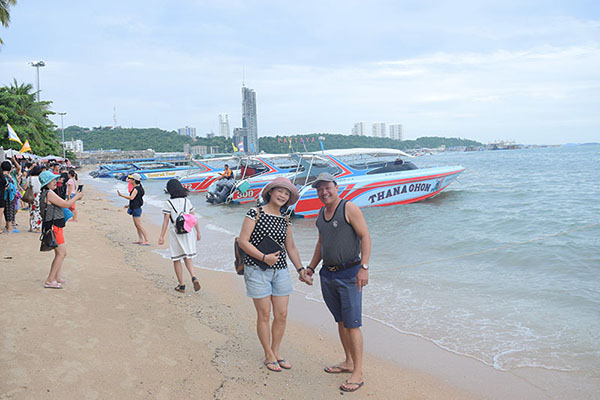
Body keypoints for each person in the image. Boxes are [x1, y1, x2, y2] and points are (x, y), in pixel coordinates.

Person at [304, 172, 371, 393]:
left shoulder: (348, 208)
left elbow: (365, 237)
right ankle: (348, 362)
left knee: (352, 324)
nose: (324, 192)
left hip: (350, 274)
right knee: (341, 322)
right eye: (320, 189)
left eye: (327, 187)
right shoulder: (321, 213)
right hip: (328, 275)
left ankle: (358, 372)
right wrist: (311, 268)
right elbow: (321, 244)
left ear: (336, 187)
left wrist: (364, 268)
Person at [237, 177, 310, 372]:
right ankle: (268, 354)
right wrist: (264, 257)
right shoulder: (255, 212)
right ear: (270, 192)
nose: (282, 196)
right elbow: (243, 241)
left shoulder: (285, 218)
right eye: (280, 191)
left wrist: (301, 269)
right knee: (264, 314)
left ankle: (276, 351)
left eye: (287, 194)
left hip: (280, 271)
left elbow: (291, 247)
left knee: (282, 314)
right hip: (256, 269)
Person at [39, 170, 84, 289]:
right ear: (46, 183)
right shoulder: (49, 193)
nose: (55, 182)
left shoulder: (45, 193)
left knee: (59, 253)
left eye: (54, 180)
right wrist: (77, 197)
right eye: (52, 180)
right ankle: (50, 280)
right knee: (62, 253)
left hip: (54, 226)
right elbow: (65, 204)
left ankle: (57, 277)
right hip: (54, 227)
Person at [158, 179, 201, 293]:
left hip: (176, 232)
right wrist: (198, 232)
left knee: (177, 258)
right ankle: (193, 276)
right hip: (188, 231)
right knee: (188, 256)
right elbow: (193, 218)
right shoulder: (187, 201)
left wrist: (161, 236)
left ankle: (181, 285)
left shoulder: (168, 203)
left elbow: (166, 221)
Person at [117, 173, 150, 245]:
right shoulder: (139, 188)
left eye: (131, 179)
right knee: (137, 225)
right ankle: (140, 239)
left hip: (136, 209)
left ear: (134, 180)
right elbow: (136, 200)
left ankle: (147, 240)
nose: (129, 180)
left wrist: (121, 195)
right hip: (135, 207)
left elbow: (131, 198)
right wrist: (128, 205)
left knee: (139, 225)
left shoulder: (136, 189)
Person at [2, 160, 17, 232]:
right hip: (9, 196)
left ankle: (7, 225)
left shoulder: (2, 175)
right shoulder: (7, 177)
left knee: (5, 211)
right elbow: (9, 187)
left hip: (4, 196)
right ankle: (10, 227)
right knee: (9, 211)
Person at [28, 166, 43, 233]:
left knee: (32, 211)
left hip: (31, 196)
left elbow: (26, 187)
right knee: (38, 212)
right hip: (39, 196)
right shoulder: (41, 178)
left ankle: (31, 227)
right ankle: (38, 227)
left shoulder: (29, 178)